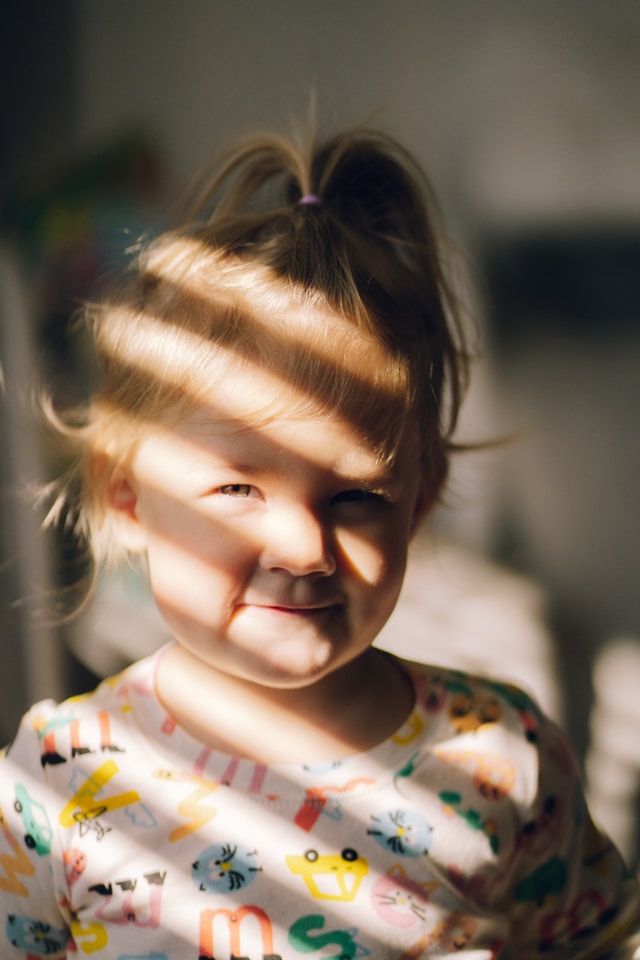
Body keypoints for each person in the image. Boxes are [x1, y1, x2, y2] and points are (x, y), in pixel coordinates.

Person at [0, 125, 637, 960]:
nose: (304, 550)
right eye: (237, 490)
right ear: (126, 499)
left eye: (358, 497)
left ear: (419, 501)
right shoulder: (55, 778)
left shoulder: (502, 757)